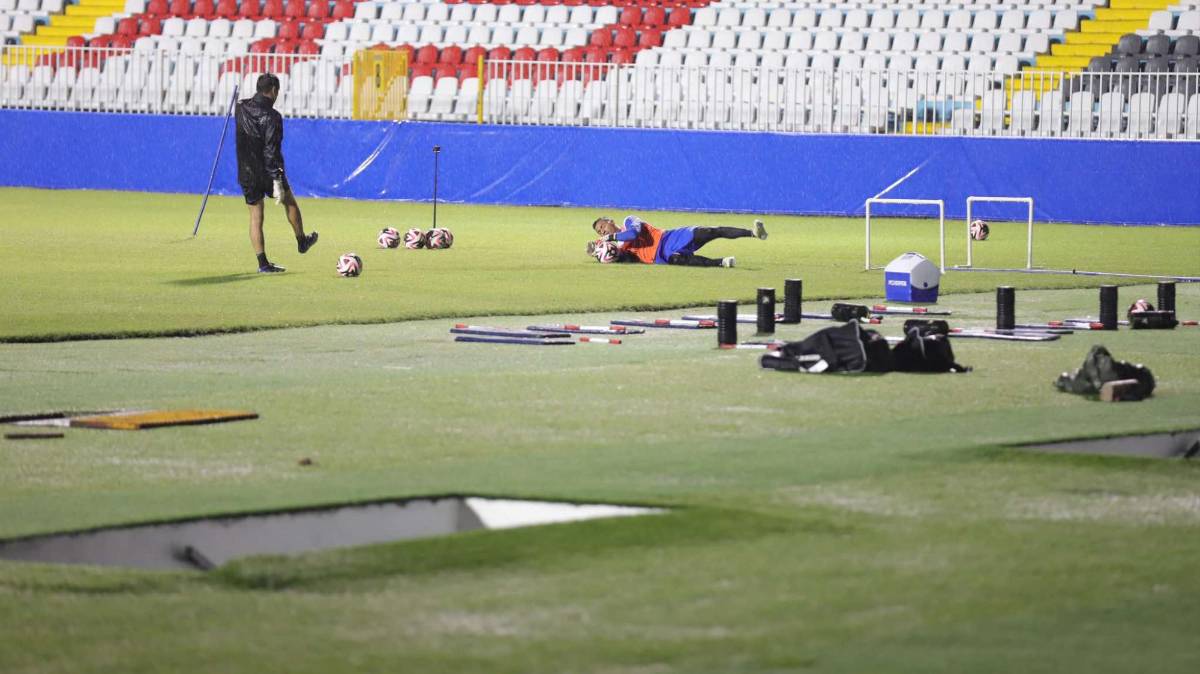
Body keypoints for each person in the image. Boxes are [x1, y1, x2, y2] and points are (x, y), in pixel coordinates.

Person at [235, 73, 318, 273]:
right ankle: (301, 240)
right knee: (289, 202)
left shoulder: (240, 107)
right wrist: (277, 178)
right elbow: (271, 149)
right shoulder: (273, 117)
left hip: (246, 172)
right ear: (273, 90)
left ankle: (263, 264)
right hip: (267, 171)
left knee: (256, 217)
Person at [587, 215, 767, 267]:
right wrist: (595, 251)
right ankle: (721, 262)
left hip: (669, 238)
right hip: (661, 256)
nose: (602, 231)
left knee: (710, 231)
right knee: (678, 260)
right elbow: (607, 254)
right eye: (599, 231)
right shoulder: (613, 245)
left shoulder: (628, 221)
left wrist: (609, 238)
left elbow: (633, 234)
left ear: (610, 221)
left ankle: (753, 233)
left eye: (602, 226)